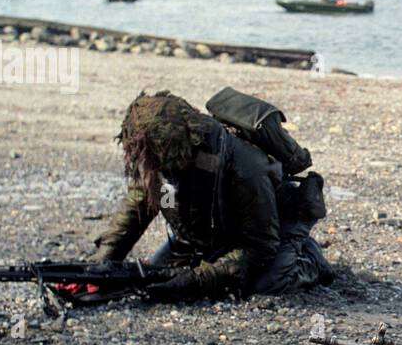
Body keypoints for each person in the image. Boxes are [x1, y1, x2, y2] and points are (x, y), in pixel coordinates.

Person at [92, 91, 333, 300]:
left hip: (272, 230)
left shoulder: (246, 167)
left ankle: (308, 259)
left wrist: (196, 281)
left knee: (265, 285)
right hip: (209, 232)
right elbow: (139, 206)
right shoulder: (159, 158)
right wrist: (101, 267)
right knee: (153, 275)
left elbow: (260, 247)